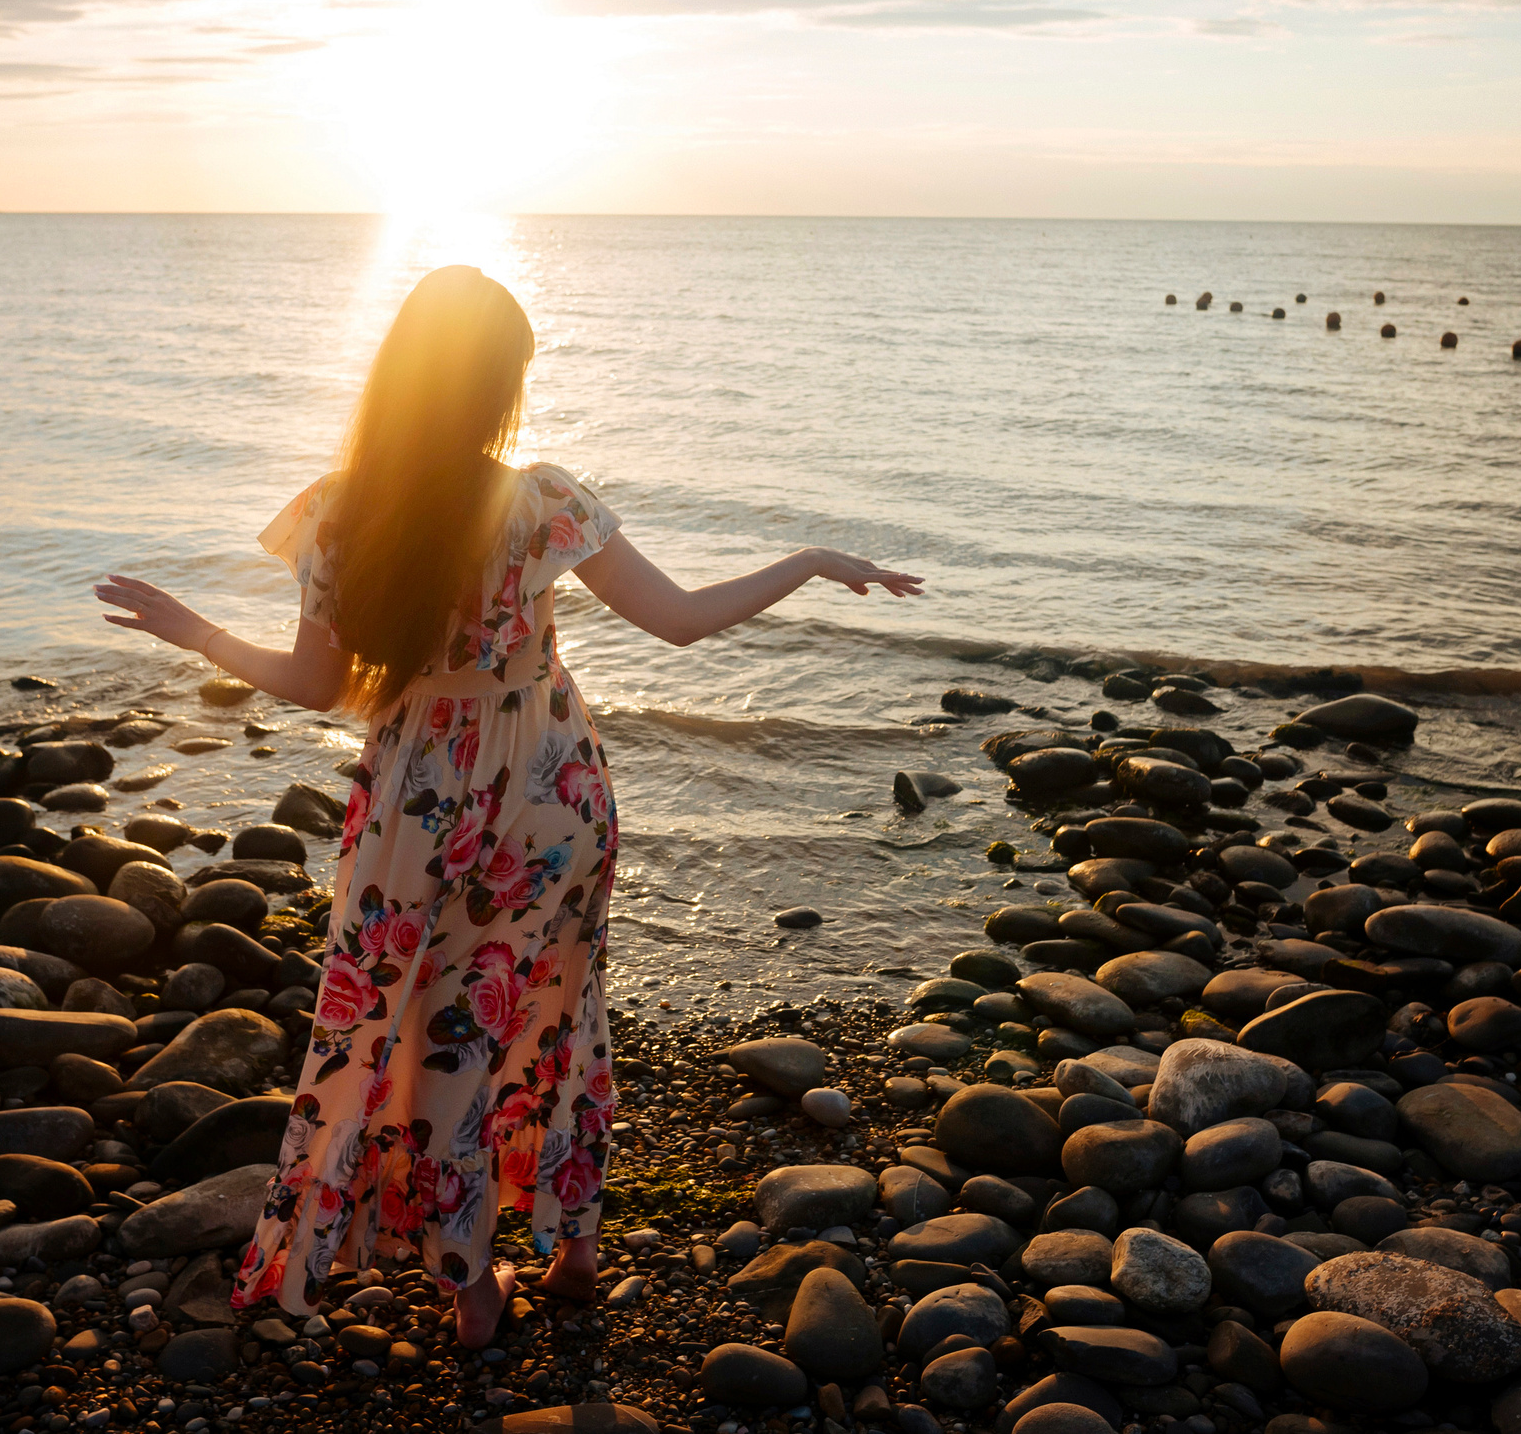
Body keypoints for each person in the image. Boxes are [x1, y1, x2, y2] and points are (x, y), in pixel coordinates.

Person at [92, 265, 922, 1346]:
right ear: (497, 385)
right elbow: (679, 620)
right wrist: (807, 560)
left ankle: (469, 1279)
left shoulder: (342, 512)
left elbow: (323, 687)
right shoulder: (540, 500)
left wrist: (194, 631)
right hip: (551, 787)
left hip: (418, 794)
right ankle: (573, 1241)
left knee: (424, 1024)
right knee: (559, 999)